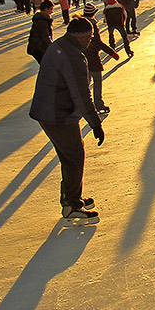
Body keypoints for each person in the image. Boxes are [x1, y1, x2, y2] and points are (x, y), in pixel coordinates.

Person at [29, 17, 104, 224]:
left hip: (51, 111)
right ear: (81, 37)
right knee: (74, 156)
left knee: (69, 156)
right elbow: (81, 94)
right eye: (90, 36)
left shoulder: (59, 46)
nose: (91, 40)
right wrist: (95, 124)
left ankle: (71, 197)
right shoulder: (73, 57)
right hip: (58, 115)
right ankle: (72, 205)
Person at [83, 2, 119, 113]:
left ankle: (84, 105)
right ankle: (98, 105)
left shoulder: (80, 24)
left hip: (82, 58)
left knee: (85, 83)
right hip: (92, 58)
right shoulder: (91, 25)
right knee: (97, 81)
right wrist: (112, 53)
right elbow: (98, 43)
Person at [27, 0, 54, 64]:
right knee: (47, 65)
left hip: (38, 48)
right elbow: (45, 37)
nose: (52, 11)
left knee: (46, 66)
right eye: (51, 9)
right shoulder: (42, 21)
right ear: (45, 9)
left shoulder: (42, 19)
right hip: (38, 48)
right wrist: (52, 48)